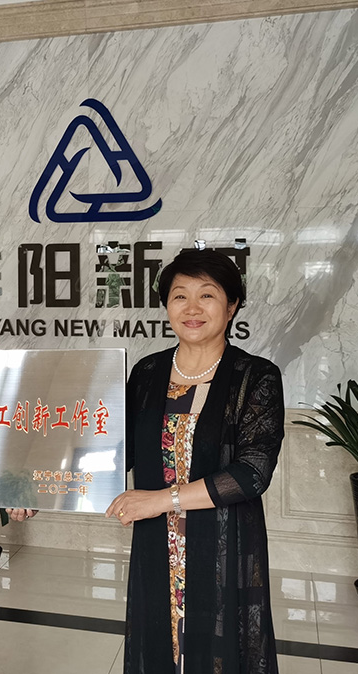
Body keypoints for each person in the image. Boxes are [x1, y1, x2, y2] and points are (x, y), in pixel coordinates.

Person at [105, 249, 284, 674]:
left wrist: (160, 500)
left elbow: (252, 472)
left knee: (219, 649)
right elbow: (115, 450)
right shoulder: (147, 372)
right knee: (158, 643)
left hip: (222, 542)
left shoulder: (256, 376)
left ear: (232, 305)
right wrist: (43, 487)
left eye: (207, 295)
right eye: (180, 296)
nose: (192, 308)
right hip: (156, 543)